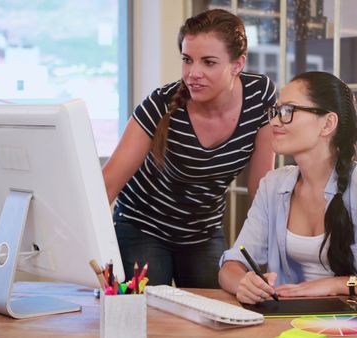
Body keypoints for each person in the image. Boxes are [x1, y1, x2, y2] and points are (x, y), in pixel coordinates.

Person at [218, 71, 357, 304]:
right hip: (288, 324)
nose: (274, 121)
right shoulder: (272, 186)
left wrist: (336, 285)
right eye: (275, 111)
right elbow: (231, 266)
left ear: (327, 124)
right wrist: (243, 283)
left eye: (288, 111)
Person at [103, 9, 276, 288]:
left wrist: (261, 256)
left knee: (216, 316)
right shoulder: (160, 104)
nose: (193, 73)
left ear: (237, 64)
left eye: (208, 62)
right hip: (141, 226)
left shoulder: (260, 95)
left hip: (202, 232)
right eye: (187, 60)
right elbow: (107, 185)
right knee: (149, 315)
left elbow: (260, 190)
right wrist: (86, 252)